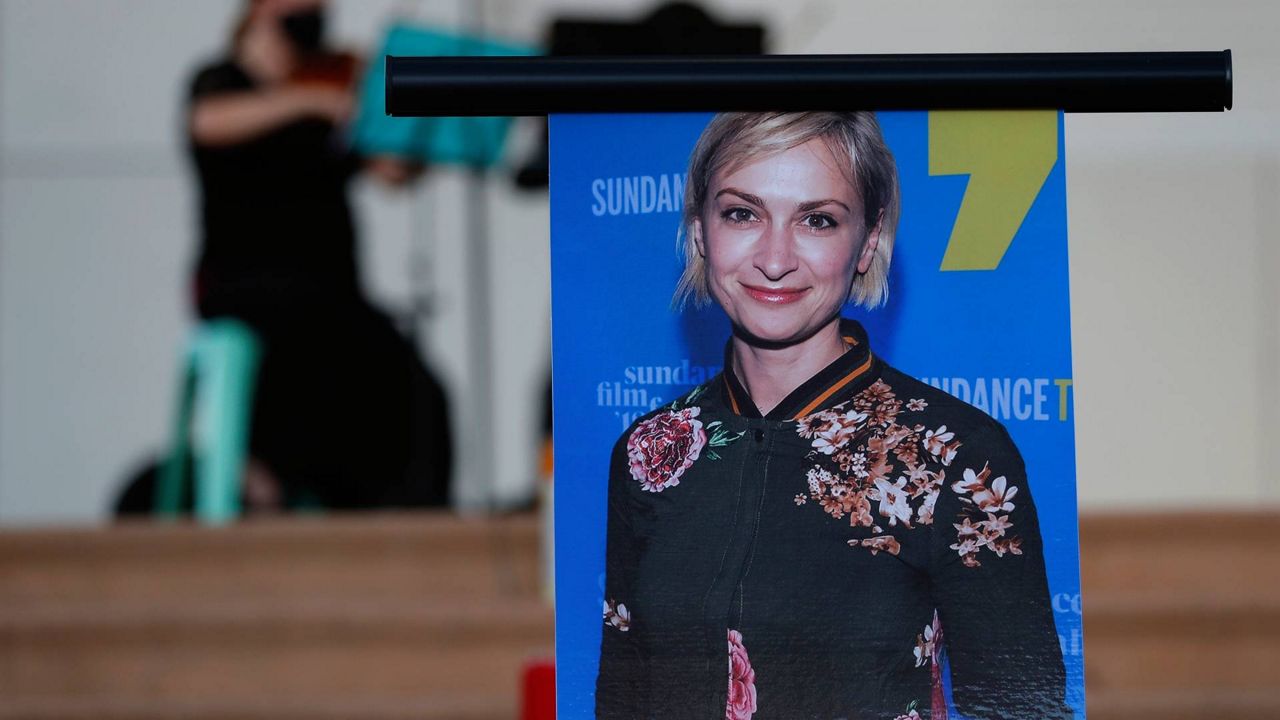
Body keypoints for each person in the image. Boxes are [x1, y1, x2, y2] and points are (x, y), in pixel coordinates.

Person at [596, 112, 1068, 719]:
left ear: (868, 241)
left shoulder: (956, 453)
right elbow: (622, 700)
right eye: (742, 213)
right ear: (698, 232)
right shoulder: (649, 453)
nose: (774, 258)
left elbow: (1022, 710)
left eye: (817, 221)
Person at [185, 0, 450, 510]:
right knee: (311, 357)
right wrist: (311, 101)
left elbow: (390, 170)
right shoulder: (221, 79)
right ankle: (279, 484)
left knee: (416, 387)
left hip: (330, 289)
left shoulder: (335, 79)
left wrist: (406, 124)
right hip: (244, 284)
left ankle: (397, 511)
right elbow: (208, 122)